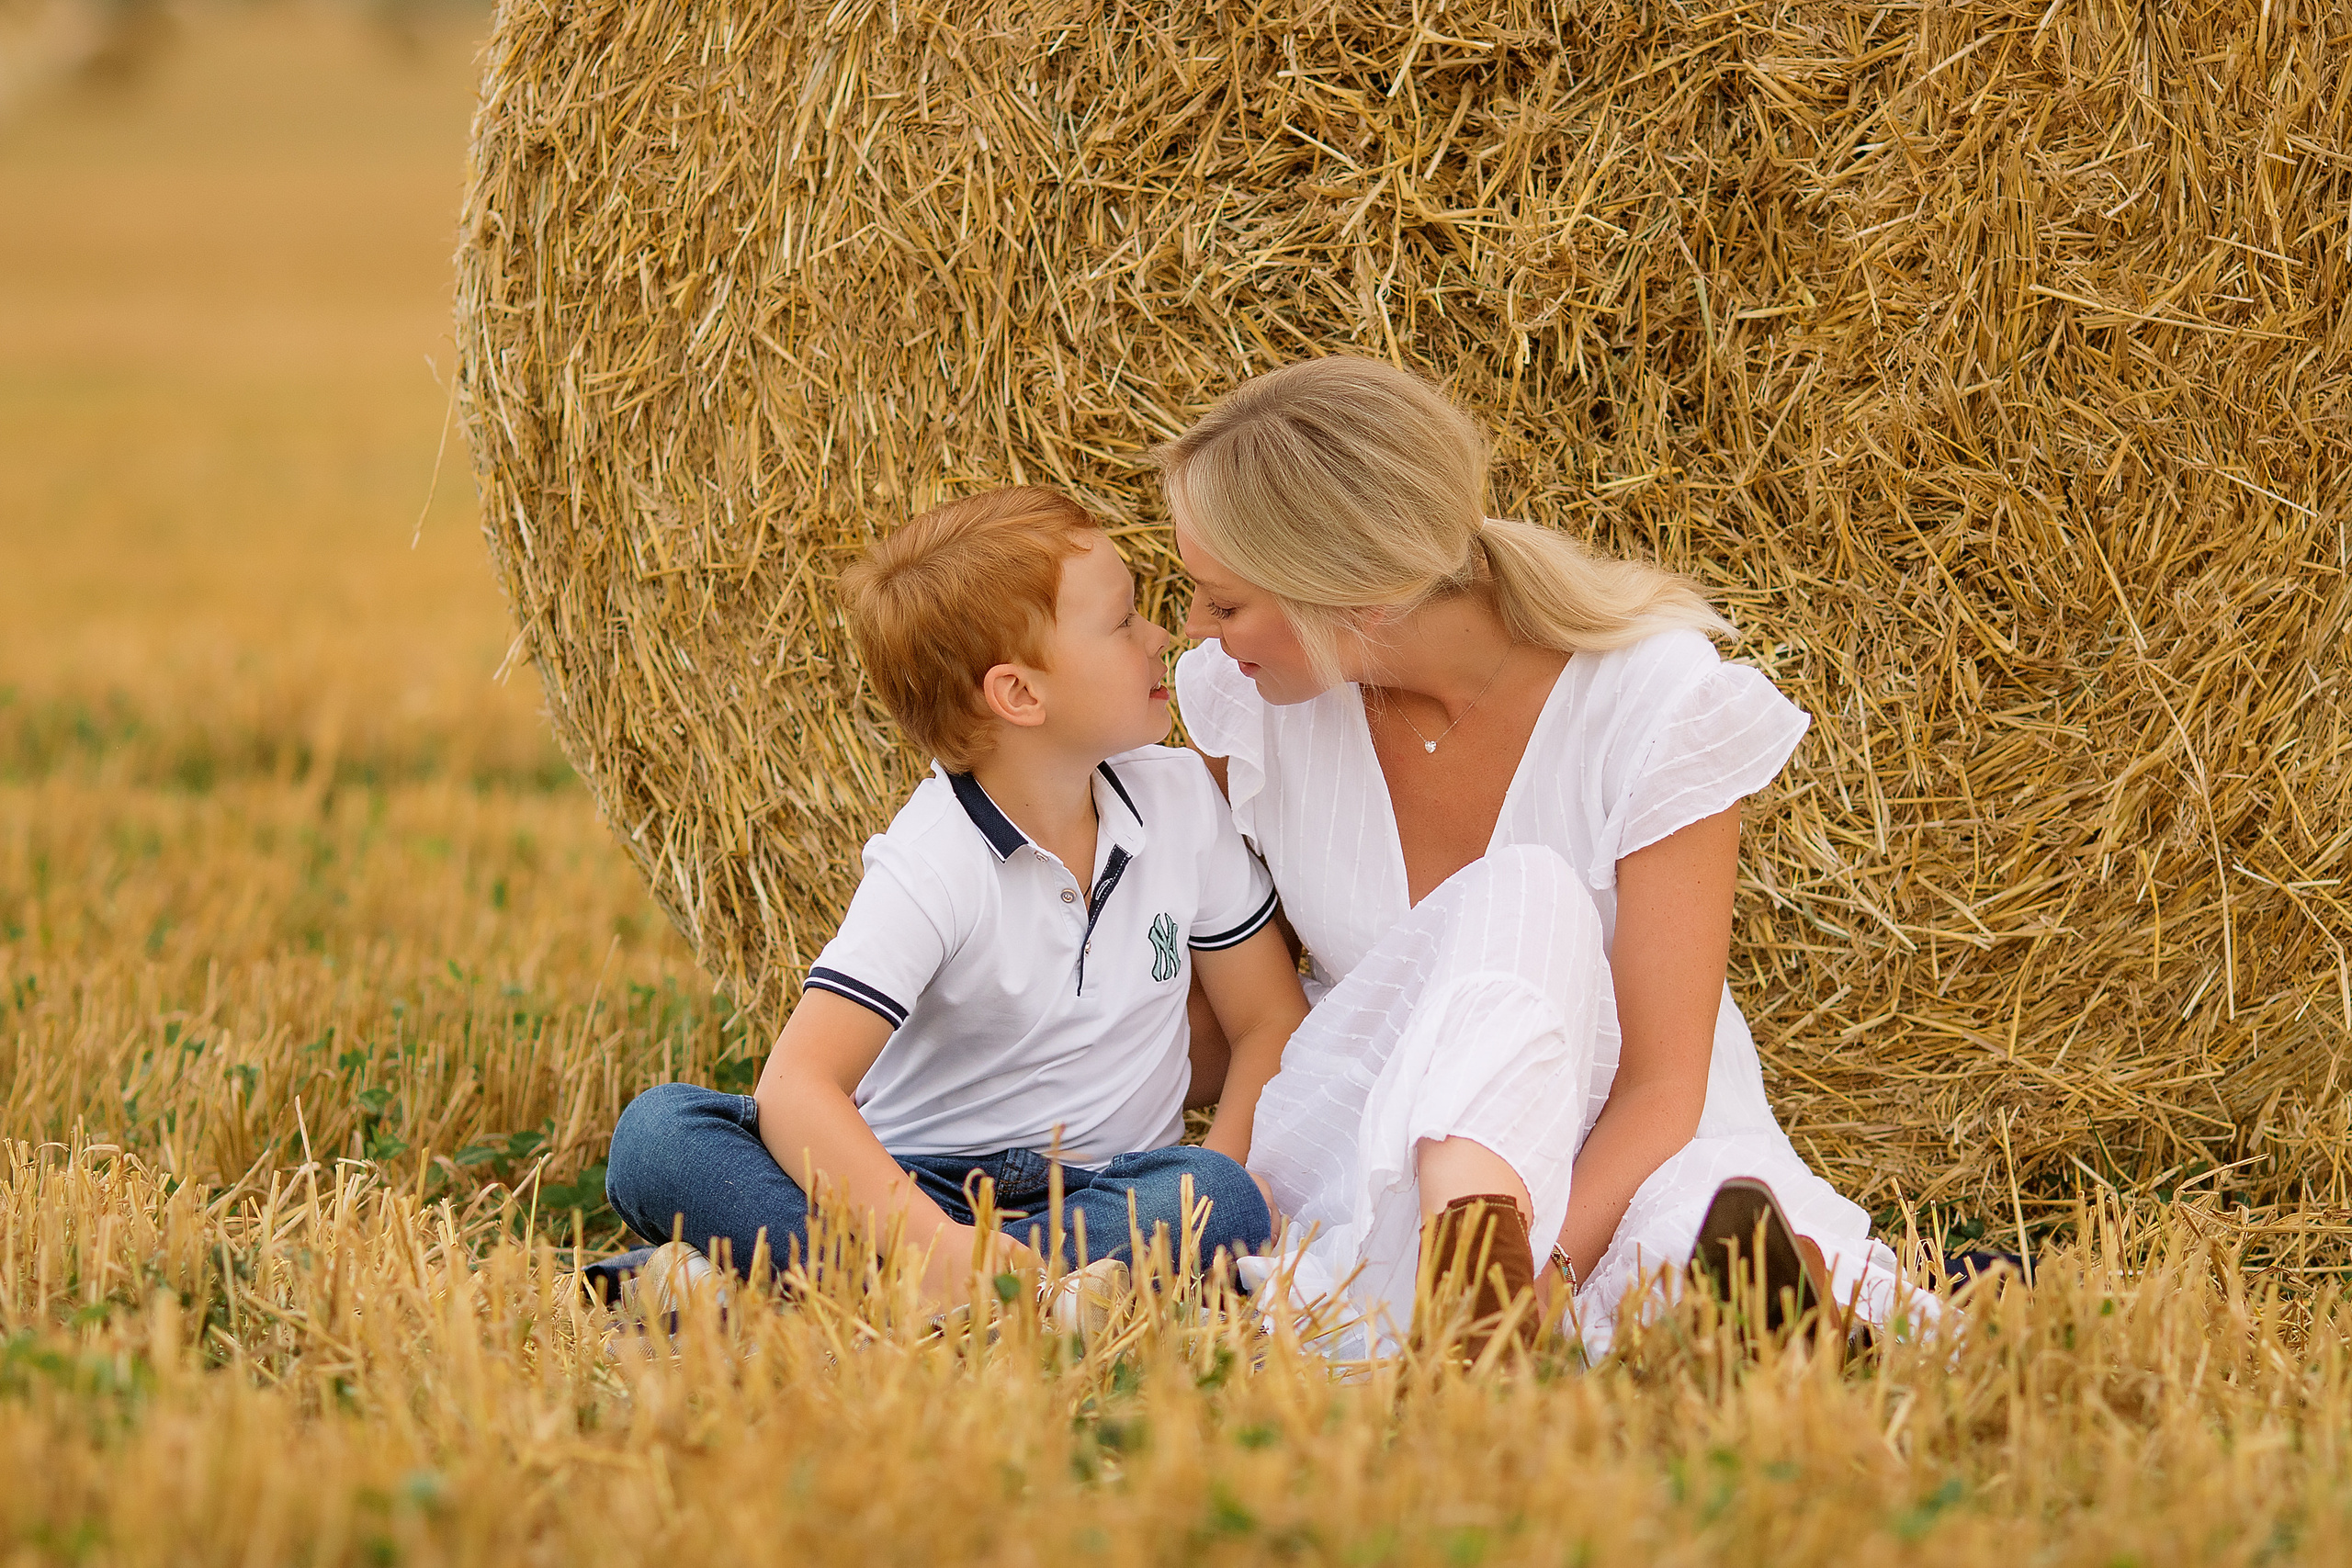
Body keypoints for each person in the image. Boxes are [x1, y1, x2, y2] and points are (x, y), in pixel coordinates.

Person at [1162, 355, 1910, 1353]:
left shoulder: (1650, 701)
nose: (1195, 632)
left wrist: (1545, 1265)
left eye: (1222, 603)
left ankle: (1583, 1308)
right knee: (1519, 896)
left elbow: (1659, 1089)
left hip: (1627, 1133)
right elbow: (1244, 1001)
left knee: (1696, 1224)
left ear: (1358, 599)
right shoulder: (1241, 704)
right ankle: (1503, 1301)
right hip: (1379, 1124)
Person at [600, 487, 1306, 1312]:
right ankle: (1025, 1294)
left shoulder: (1180, 799)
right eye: (1123, 622)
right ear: (1019, 695)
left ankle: (814, 1287)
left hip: (1107, 1190)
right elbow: (797, 1084)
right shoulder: (933, 860)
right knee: (657, 1138)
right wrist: (930, 1243)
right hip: (900, 1186)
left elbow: (1270, 1020)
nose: (1163, 636)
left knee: (1217, 1195)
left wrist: (1211, 1197)